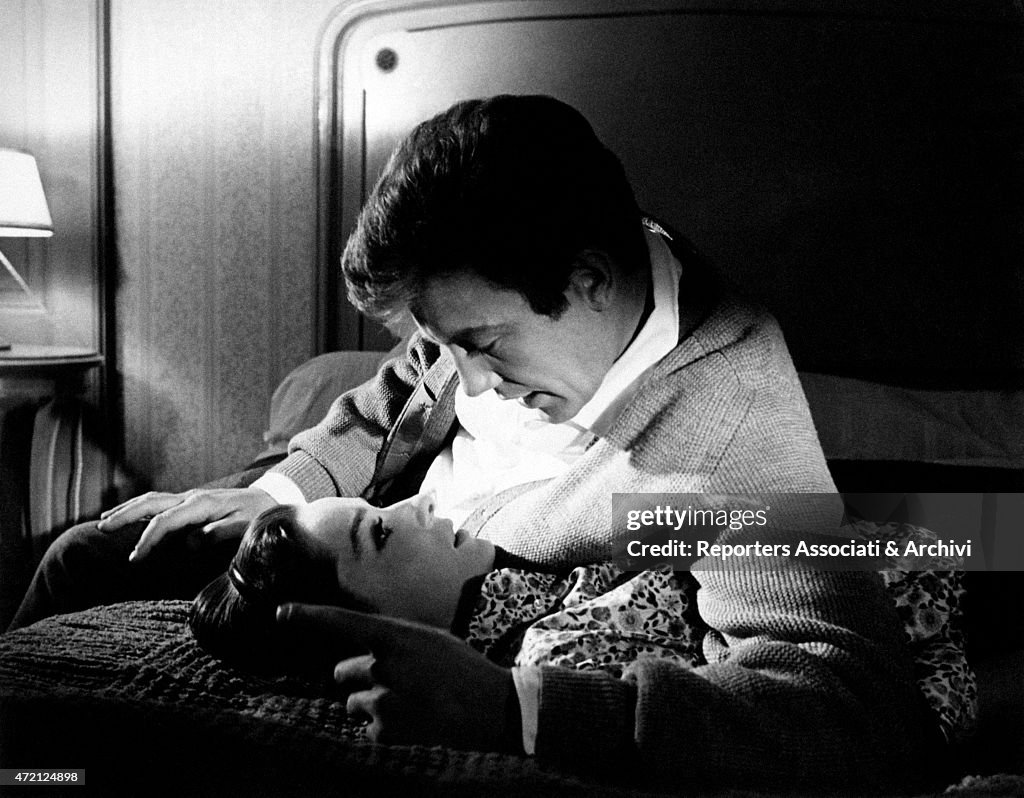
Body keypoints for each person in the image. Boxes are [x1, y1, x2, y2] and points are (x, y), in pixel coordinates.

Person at [11, 95, 932, 790]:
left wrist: (522, 710)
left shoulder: (727, 429)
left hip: (432, 579)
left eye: (484, 347)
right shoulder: (498, 280)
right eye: (444, 343)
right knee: (89, 550)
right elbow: (397, 388)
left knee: (946, 536)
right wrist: (285, 492)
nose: (465, 377)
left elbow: (852, 709)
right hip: (361, 527)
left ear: (590, 282)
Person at [190, 494, 708, 685]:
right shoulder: (558, 661)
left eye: (379, 506)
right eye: (381, 532)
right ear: (377, 631)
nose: (421, 502)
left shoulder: (520, 532)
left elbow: (759, 519)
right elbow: (766, 523)